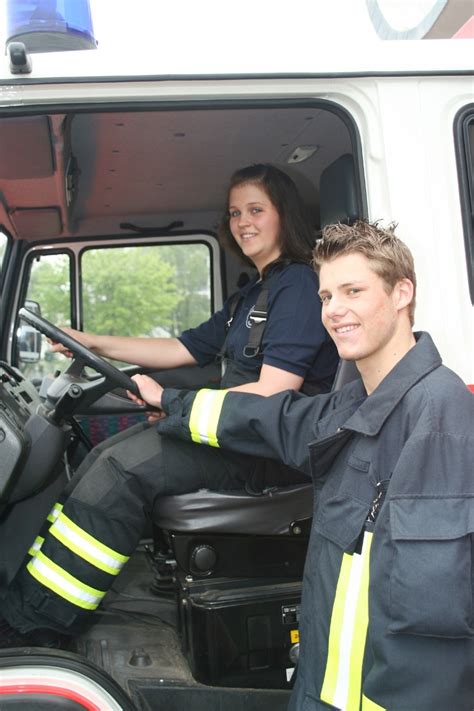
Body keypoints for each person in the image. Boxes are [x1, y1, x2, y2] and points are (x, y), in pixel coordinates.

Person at [135, 220, 474, 711]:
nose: (334, 311)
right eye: (325, 296)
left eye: (353, 291)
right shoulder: (356, 401)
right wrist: (172, 402)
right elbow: (271, 419)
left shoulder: (438, 420)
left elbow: (427, 635)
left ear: (402, 293)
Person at [0, 163, 338, 644]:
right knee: (98, 455)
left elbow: (275, 393)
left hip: (271, 449)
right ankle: (35, 595)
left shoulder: (300, 286)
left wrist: (174, 401)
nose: (243, 222)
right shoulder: (254, 295)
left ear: (284, 214)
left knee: (120, 469)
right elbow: (180, 349)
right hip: (237, 432)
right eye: (235, 212)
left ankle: (36, 627)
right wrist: (87, 340)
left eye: (256, 210)